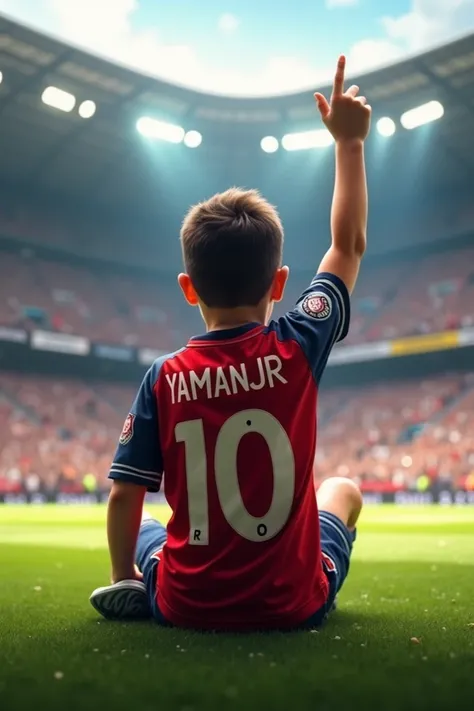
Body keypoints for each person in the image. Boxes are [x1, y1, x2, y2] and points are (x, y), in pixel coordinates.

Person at [90, 55, 370, 631]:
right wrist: (349, 144)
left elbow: (123, 495)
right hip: (294, 603)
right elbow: (348, 247)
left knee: (146, 530)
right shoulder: (299, 341)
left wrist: (124, 576)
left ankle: (131, 583)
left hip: (183, 603)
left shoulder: (164, 374)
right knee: (342, 489)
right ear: (280, 283)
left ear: (188, 289)